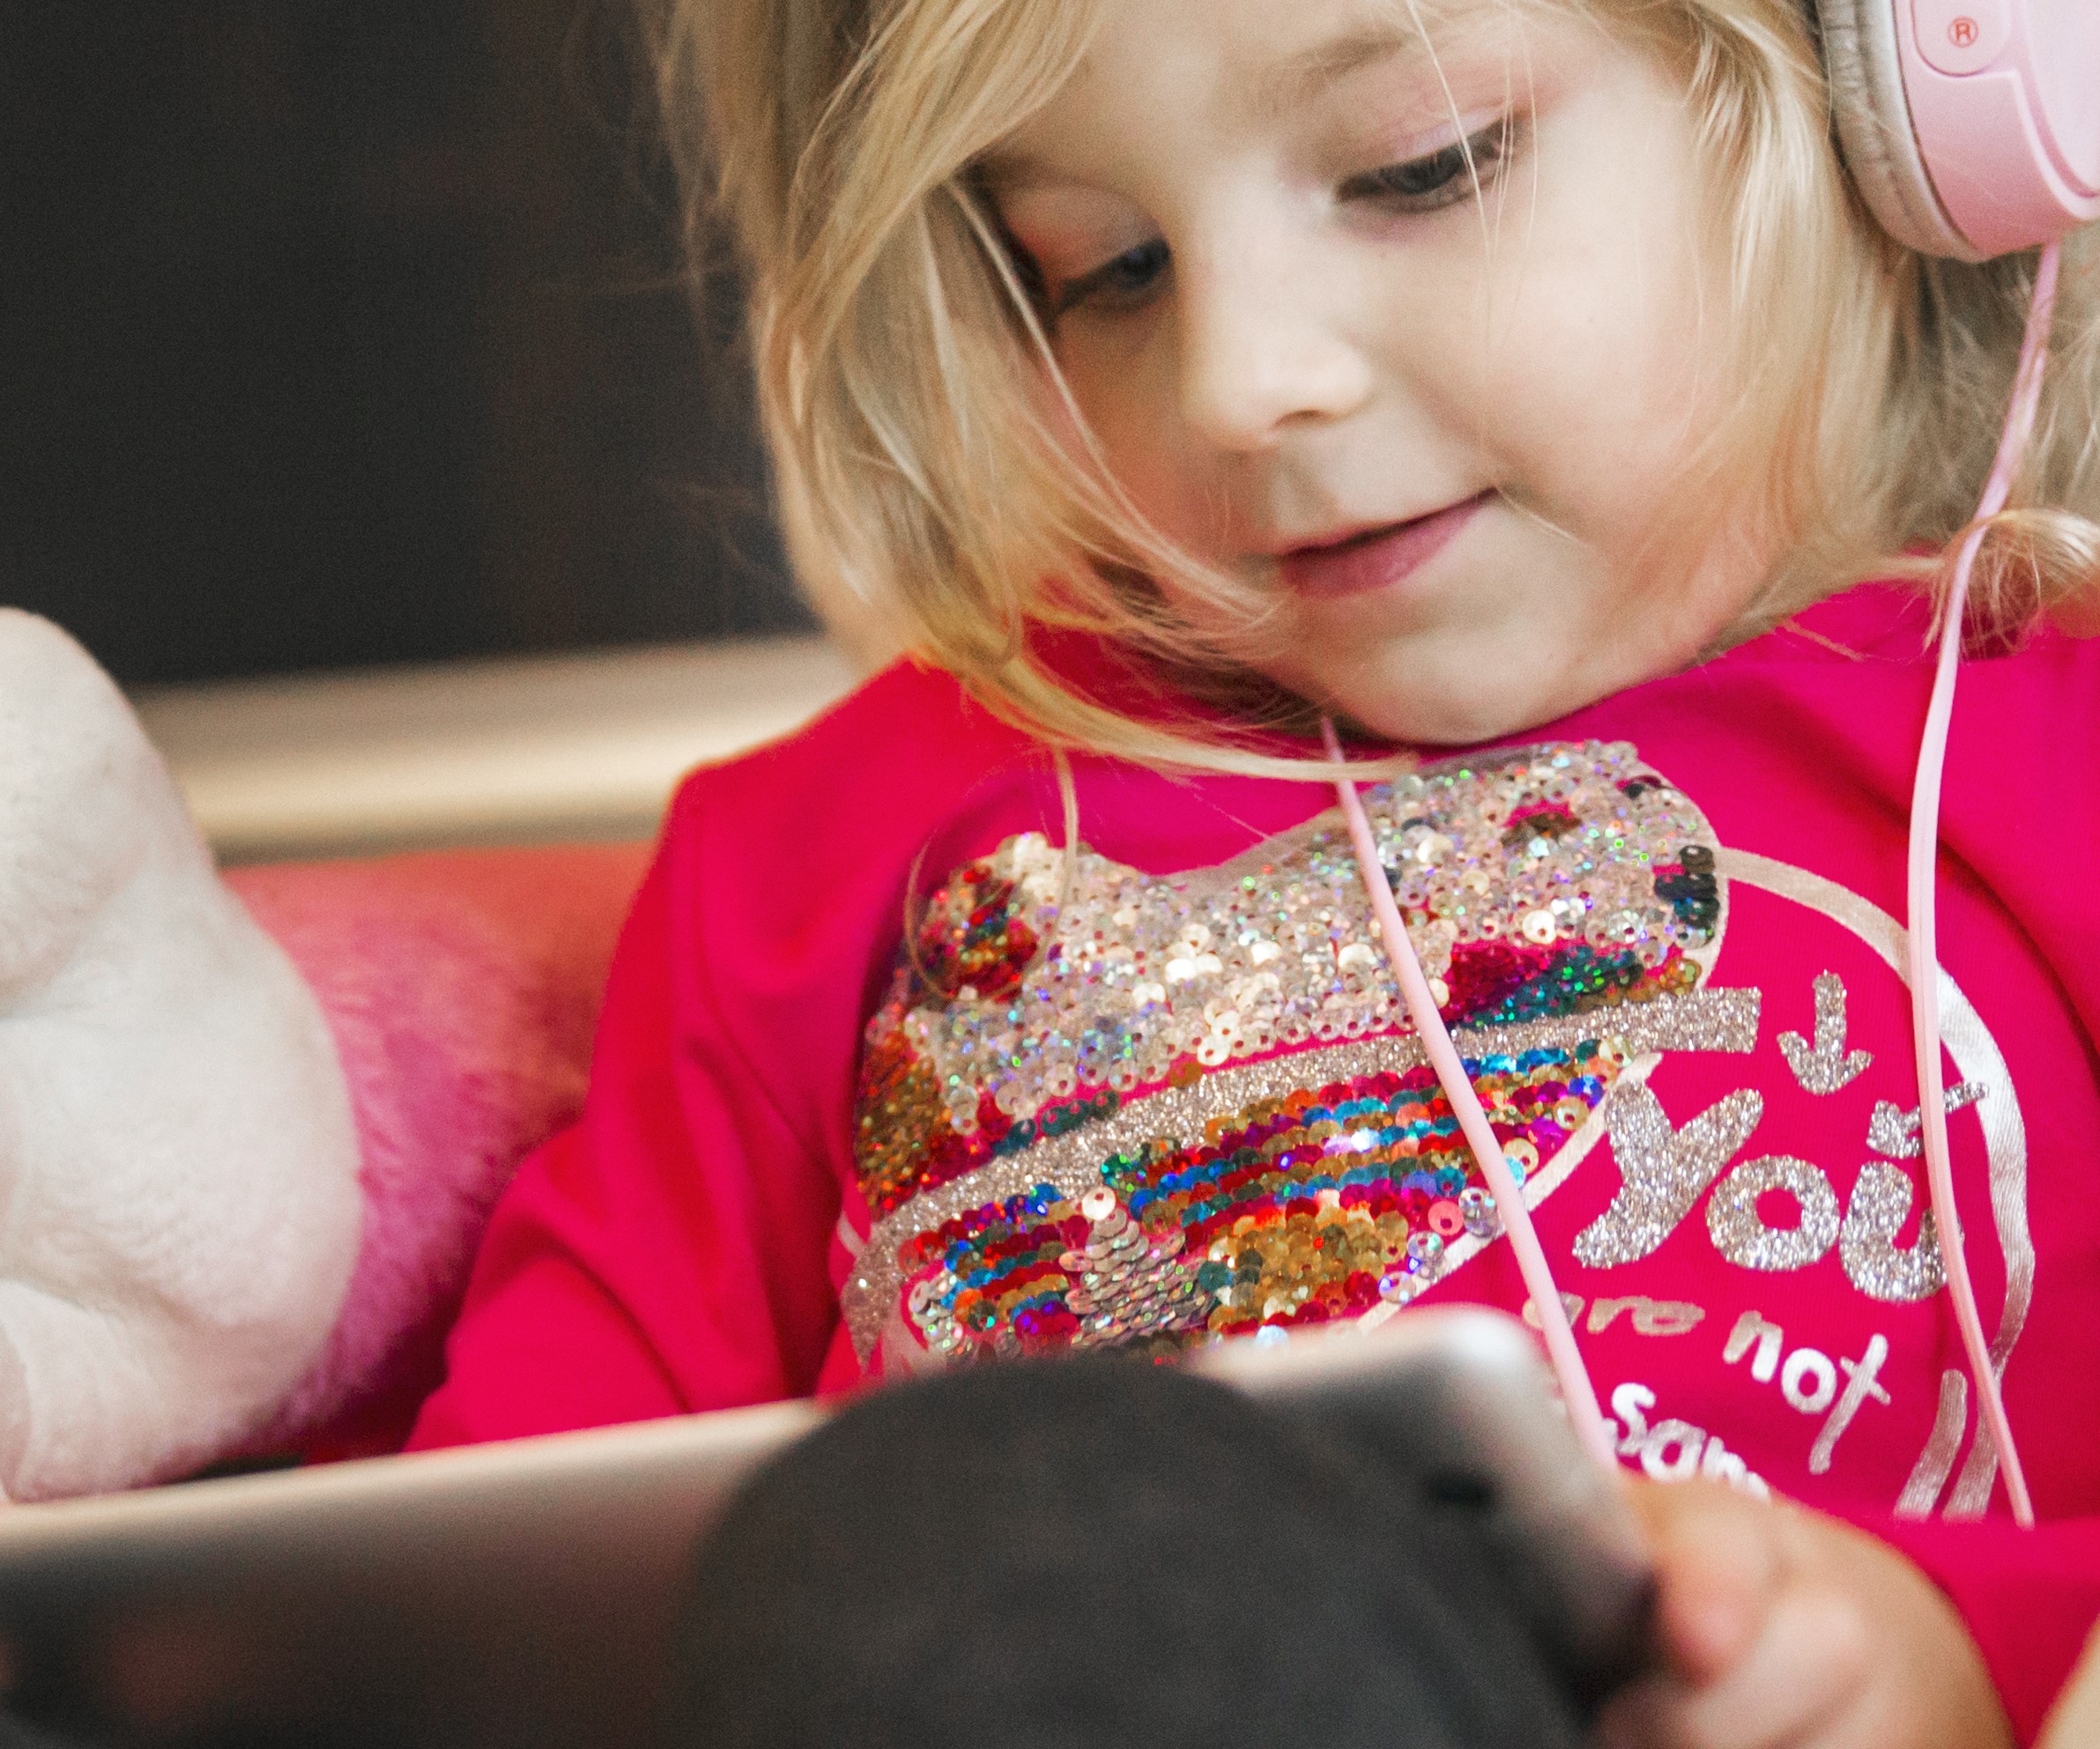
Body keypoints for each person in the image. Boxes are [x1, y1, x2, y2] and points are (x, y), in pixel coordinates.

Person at [0, 0, 2090, 1743]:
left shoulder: (2050, 741)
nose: (1242, 377)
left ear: (1888, 84)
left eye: (1423, 165)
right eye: (1102, 268)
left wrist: (1955, 1659)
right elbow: (521, 1560)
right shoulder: (827, 849)